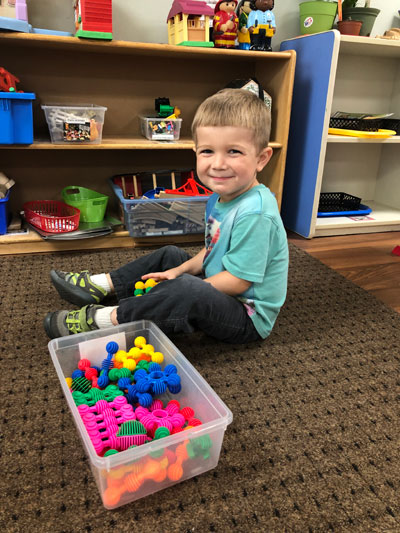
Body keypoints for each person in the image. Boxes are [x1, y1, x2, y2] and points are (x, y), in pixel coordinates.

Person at [44, 88, 289, 344]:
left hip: (245, 316)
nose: (218, 164)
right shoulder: (220, 197)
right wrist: (179, 270)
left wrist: (176, 285)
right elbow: (213, 249)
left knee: (185, 289)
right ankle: (101, 285)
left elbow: (238, 282)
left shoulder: (256, 213)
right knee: (171, 255)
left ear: (261, 159)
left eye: (234, 152)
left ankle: (108, 319)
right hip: (219, 285)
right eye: (207, 151)